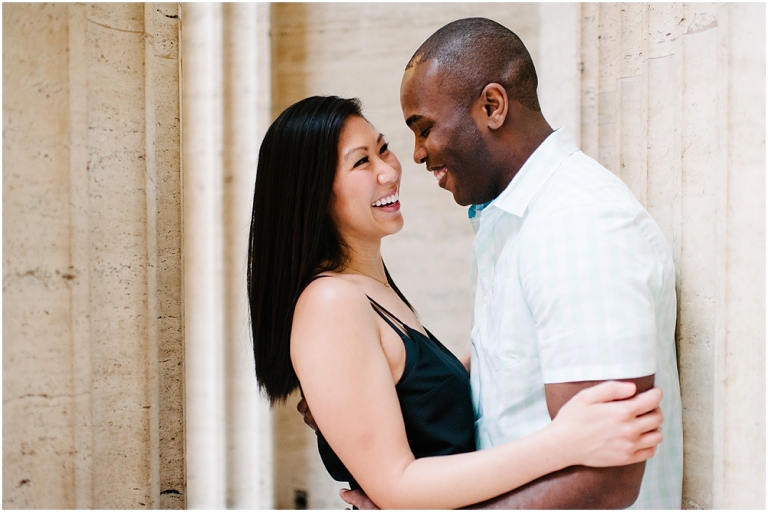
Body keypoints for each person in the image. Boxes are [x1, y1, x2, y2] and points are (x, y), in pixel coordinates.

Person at [248, 95, 665, 510]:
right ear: (312, 193)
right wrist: (562, 443)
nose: (389, 171)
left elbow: (423, 399)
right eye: (361, 162)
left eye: (382, 148)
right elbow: (399, 486)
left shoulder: (368, 289)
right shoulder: (330, 302)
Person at [337, 17, 683, 510]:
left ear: (492, 107)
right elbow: (510, 383)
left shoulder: (577, 224)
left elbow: (606, 481)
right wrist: (367, 401)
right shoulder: (513, 219)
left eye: (424, 128)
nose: (416, 155)